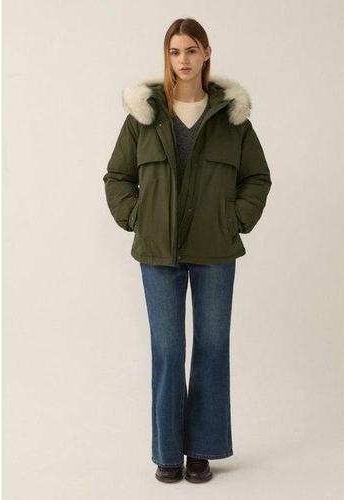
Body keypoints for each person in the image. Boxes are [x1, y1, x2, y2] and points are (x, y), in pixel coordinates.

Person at [103, 17, 272, 483]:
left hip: (215, 249)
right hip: (158, 253)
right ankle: (167, 453)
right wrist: (138, 217)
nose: (183, 60)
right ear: (168, 56)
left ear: (206, 53)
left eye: (191, 50)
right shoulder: (145, 115)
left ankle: (201, 450)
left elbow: (257, 177)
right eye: (175, 51)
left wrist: (235, 219)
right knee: (167, 349)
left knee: (212, 347)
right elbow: (117, 177)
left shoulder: (231, 119)